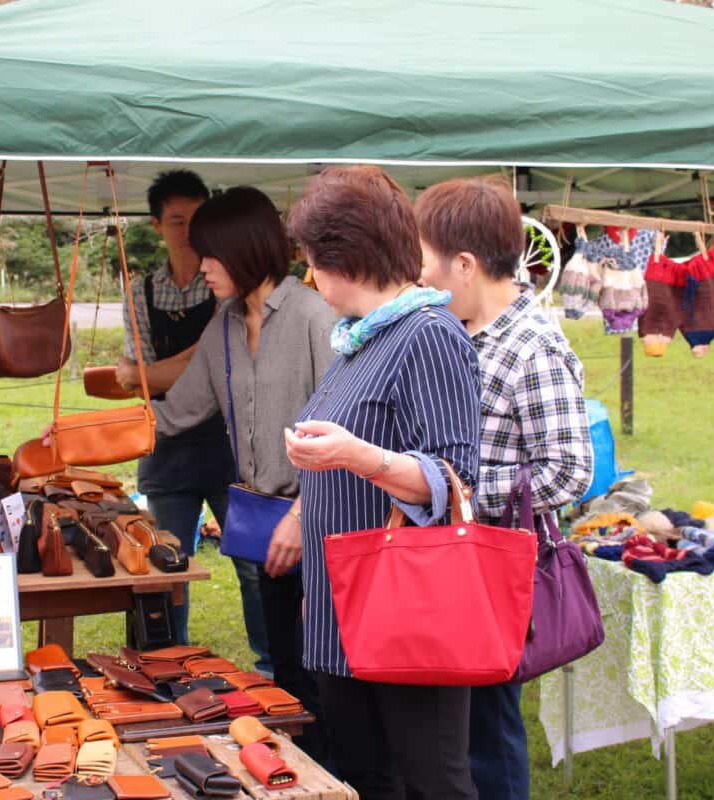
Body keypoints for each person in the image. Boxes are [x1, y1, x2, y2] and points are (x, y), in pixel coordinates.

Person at [283, 165, 481, 799]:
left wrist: (357, 456)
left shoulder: (429, 336)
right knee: (370, 779)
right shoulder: (359, 342)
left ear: (343, 258)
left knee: (431, 784)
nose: (310, 277)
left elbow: (455, 484)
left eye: (312, 261)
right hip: (349, 609)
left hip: (408, 612)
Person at [414, 178, 594, 800]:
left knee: (489, 735)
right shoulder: (452, 330)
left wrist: (455, 493)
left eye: (425, 263)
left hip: (493, 573)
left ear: (464, 265)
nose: (419, 278)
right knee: (451, 735)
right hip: (448, 563)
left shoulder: (533, 347)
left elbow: (570, 469)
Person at [149, 185, 337, 764]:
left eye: (211, 254)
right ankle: (295, 772)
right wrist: (77, 441)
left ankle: (335, 773)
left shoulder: (314, 317)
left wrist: (305, 516)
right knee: (284, 672)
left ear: (244, 248)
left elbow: (348, 434)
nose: (200, 266)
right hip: (267, 531)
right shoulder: (224, 327)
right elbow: (176, 413)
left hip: (326, 529)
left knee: (330, 681)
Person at [113, 170, 268, 665]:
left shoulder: (225, 287)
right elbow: (128, 372)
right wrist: (162, 372)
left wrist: (148, 374)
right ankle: (163, 665)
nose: (187, 231)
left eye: (196, 220)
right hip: (165, 445)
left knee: (252, 562)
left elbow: (154, 371)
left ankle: (272, 663)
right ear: (157, 225)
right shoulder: (141, 287)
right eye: (177, 221)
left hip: (230, 446)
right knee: (162, 563)